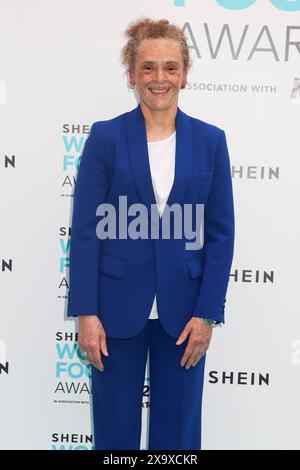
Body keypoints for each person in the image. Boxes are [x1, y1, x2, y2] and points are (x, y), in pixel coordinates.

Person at [67, 17, 235, 450]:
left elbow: (220, 234)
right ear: (131, 74)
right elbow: (86, 232)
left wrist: (208, 312)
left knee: (177, 437)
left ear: (184, 74)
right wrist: (87, 311)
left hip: (186, 315)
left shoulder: (211, 141)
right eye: (148, 67)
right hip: (114, 311)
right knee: (114, 433)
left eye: (170, 67)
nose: (159, 78)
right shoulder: (106, 138)